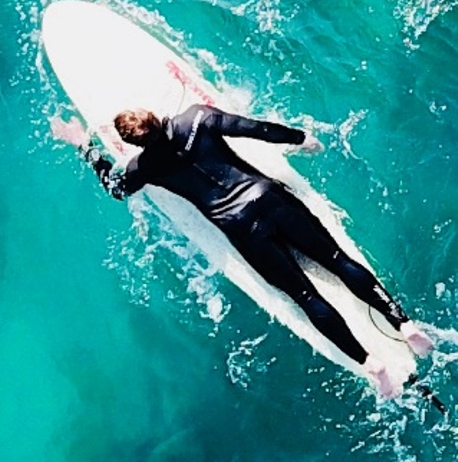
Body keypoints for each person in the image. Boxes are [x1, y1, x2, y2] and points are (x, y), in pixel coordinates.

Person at [54, 104, 434, 399]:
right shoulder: (197, 118)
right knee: (336, 260)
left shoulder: (143, 167)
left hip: (241, 227)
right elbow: (257, 129)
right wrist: (301, 139)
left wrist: (84, 146)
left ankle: (372, 365)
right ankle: (404, 324)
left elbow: (116, 188)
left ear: (134, 143)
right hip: (270, 200)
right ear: (154, 115)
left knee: (305, 295)